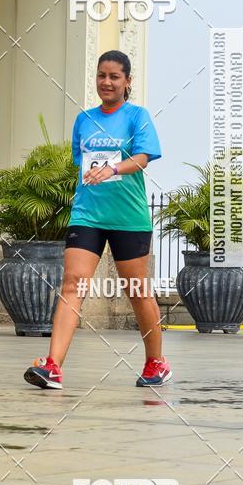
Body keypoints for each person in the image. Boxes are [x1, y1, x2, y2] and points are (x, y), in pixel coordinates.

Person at [24, 50, 170, 389]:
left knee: (136, 291)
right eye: (102, 75)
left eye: (114, 77)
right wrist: (98, 174)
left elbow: (144, 158)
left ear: (127, 81)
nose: (106, 82)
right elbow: (82, 161)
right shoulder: (84, 119)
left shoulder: (138, 116)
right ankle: (53, 366)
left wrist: (114, 167)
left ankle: (156, 362)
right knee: (72, 283)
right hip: (87, 213)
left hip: (128, 218)